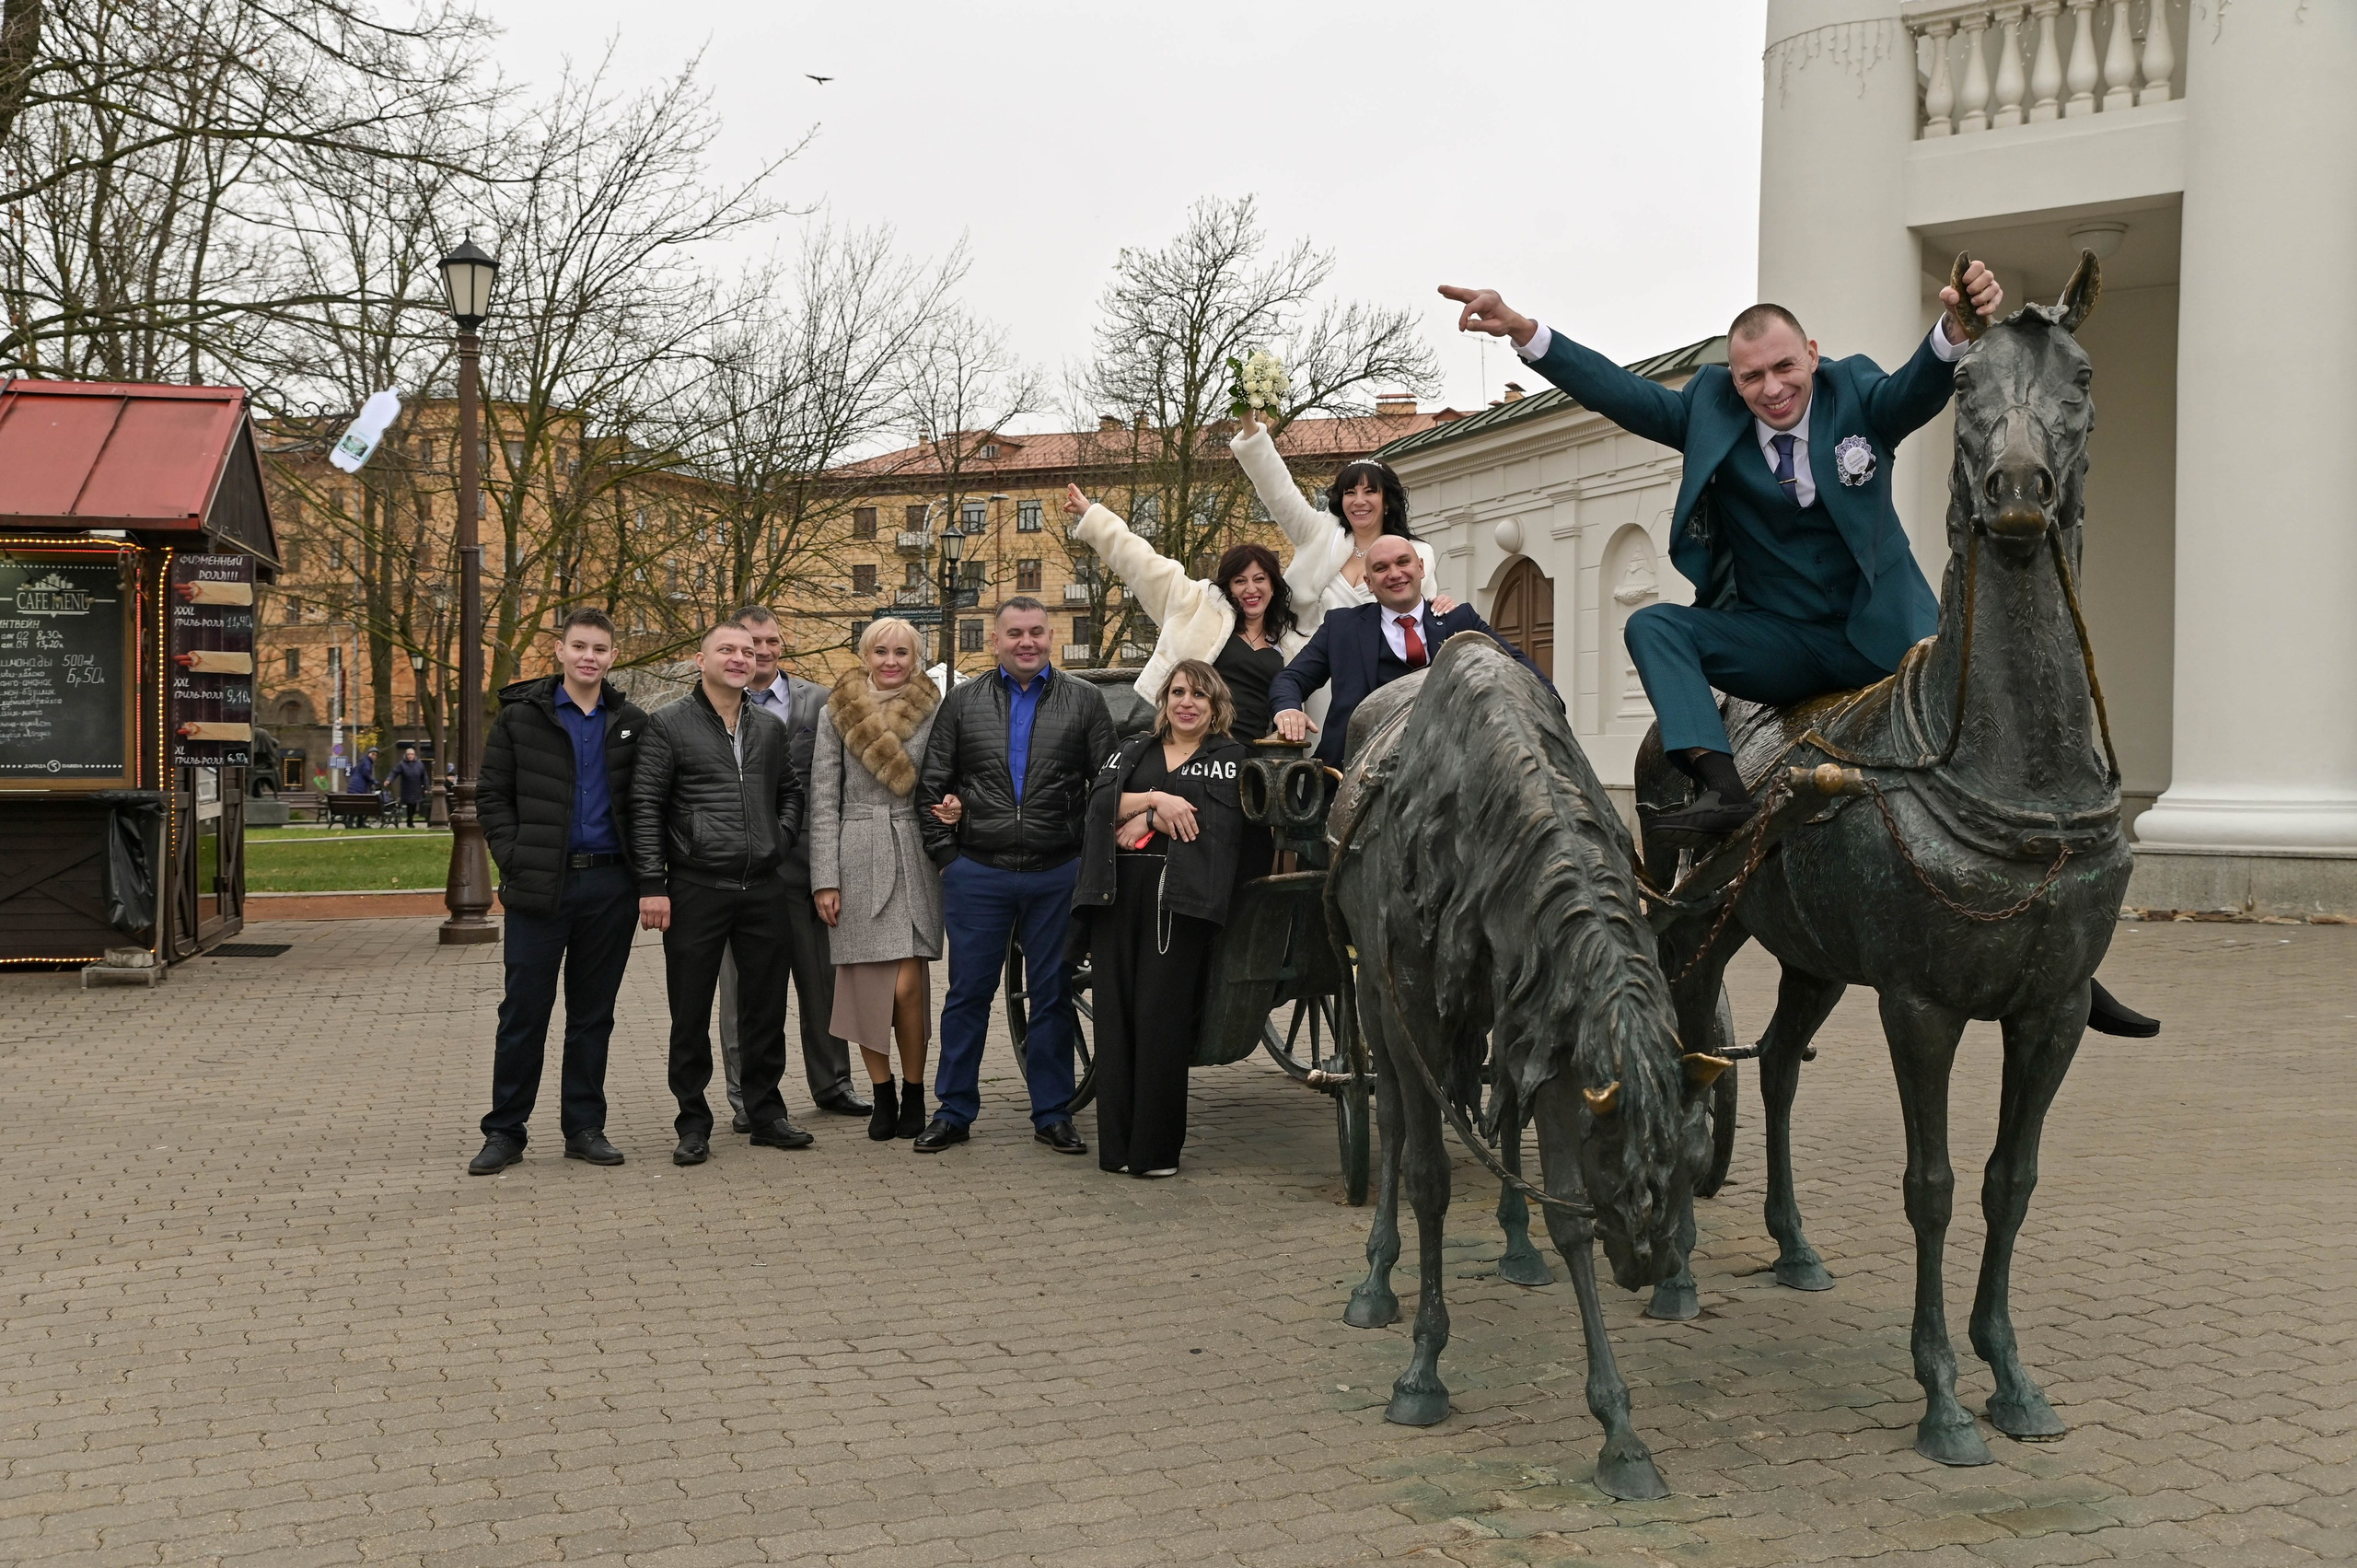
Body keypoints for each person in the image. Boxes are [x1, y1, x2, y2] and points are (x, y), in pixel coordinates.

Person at [1441, 273, 2159, 1041]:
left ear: (1812, 355)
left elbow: (1915, 388)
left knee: (2004, 757)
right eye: (1751, 376)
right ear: (1734, 378)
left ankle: (2068, 966)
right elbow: (1617, 392)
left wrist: (1954, 330)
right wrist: (1524, 331)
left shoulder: (1856, 396)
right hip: (1780, 644)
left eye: (1785, 367)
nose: (1772, 388)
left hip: (1891, 647)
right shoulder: (1709, 410)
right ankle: (1720, 786)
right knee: (1654, 627)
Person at [913, 596, 1115, 1155]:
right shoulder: (963, 702)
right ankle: (954, 1110)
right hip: (979, 872)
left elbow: (1107, 787)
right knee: (967, 995)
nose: (1027, 642)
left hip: (1058, 873)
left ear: (1050, 636)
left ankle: (1053, 1112)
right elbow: (931, 786)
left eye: (1036, 632)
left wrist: (1087, 863)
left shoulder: (1085, 699)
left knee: (1051, 995)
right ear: (995, 640)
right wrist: (949, 859)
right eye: (1015, 633)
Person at [468, 608, 648, 1174]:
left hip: (610, 887)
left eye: (600, 648)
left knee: (593, 1015)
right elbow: (493, 796)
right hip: (540, 886)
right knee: (524, 1012)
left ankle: (584, 1128)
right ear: (560, 651)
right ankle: (505, 1131)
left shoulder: (631, 721)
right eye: (579, 646)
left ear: (613, 656)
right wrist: (516, 859)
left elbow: (646, 803)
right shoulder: (521, 718)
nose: (589, 656)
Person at [631, 618, 814, 1165]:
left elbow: (790, 792)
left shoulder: (769, 727)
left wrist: (780, 838)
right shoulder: (668, 724)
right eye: (727, 649)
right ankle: (693, 1122)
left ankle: (766, 1114)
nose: (740, 658)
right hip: (696, 887)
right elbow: (645, 805)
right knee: (689, 1011)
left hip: (763, 888)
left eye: (748, 650)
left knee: (765, 1009)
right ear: (701, 660)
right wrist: (651, 883)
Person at [1071, 660, 1251, 1179]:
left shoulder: (1230, 759)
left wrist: (1145, 818)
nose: (1186, 703)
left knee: (1160, 1021)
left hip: (1180, 904)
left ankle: (1154, 1152)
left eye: (1199, 694)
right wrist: (1155, 800)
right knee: (1115, 1021)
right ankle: (1117, 1150)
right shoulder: (1134, 750)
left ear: (1216, 705)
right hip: (1116, 897)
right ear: (1164, 701)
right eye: (1177, 693)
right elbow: (1098, 805)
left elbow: (1213, 823)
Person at [711, 604, 867, 1132]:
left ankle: (834, 1083)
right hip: (737, 877)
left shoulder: (821, 702)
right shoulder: (713, 706)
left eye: (771, 640)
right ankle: (746, 1097)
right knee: (742, 997)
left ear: (783, 644)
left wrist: (834, 871)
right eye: (751, 642)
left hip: (807, 873)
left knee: (822, 986)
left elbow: (840, 788)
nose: (762, 650)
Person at [807, 617, 944, 1141]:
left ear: (916, 658)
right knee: (867, 991)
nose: (891, 661)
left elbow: (948, 777)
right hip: (856, 853)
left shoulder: (935, 708)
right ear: (865, 655)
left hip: (911, 849)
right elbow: (824, 798)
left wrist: (954, 809)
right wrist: (825, 878)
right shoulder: (835, 712)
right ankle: (882, 1093)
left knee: (907, 987)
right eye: (881, 651)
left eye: (901, 653)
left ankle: (915, 1090)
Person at [1270, 532, 1550, 769]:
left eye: (1403, 562)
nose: (1395, 574)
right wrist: (1288, 709)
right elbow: (1291, 678)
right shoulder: (1342, 627)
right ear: (1369, 583)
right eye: (1381, 568)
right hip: (1353, 770)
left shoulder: (1459, 620)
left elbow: (1516, 663)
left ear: (1421, 568)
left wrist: (1549, 705)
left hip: (1447, 771)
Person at [1062, 484, 1309, 741]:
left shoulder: (1288, 641)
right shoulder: (1199, 606)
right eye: (1240, 581)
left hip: (1253, 753)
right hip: (1195, 747)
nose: (1251, 589)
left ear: (1273, 585)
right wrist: (1094, 517)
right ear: (1228, 586)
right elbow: (1142, 564)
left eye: (1259, 579)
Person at [1227, 402, 1457, 641]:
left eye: (1370, 492)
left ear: (1387, 501)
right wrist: (1248, 422)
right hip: (1303, 659)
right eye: (1350, 493)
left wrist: (1441, 605)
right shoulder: (1318, 532)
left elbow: (1419, 620)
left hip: (1378, 662)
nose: (1359, 501)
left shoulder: (1417, 552)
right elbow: (1277, 490)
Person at [391, 746, 428, 829]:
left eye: (412, 754)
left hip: (416, 788)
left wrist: (426, 787)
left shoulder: (419, 764)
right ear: (406, 755)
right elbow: (394, 772)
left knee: (414, 805)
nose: (410, 756)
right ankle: (410, 821)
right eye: (408, 754)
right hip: (406, 788)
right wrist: (389, 780)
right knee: (409, 805)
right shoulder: (402, 764)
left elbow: (424, 776)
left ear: (414, 755)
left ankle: (410, 819)